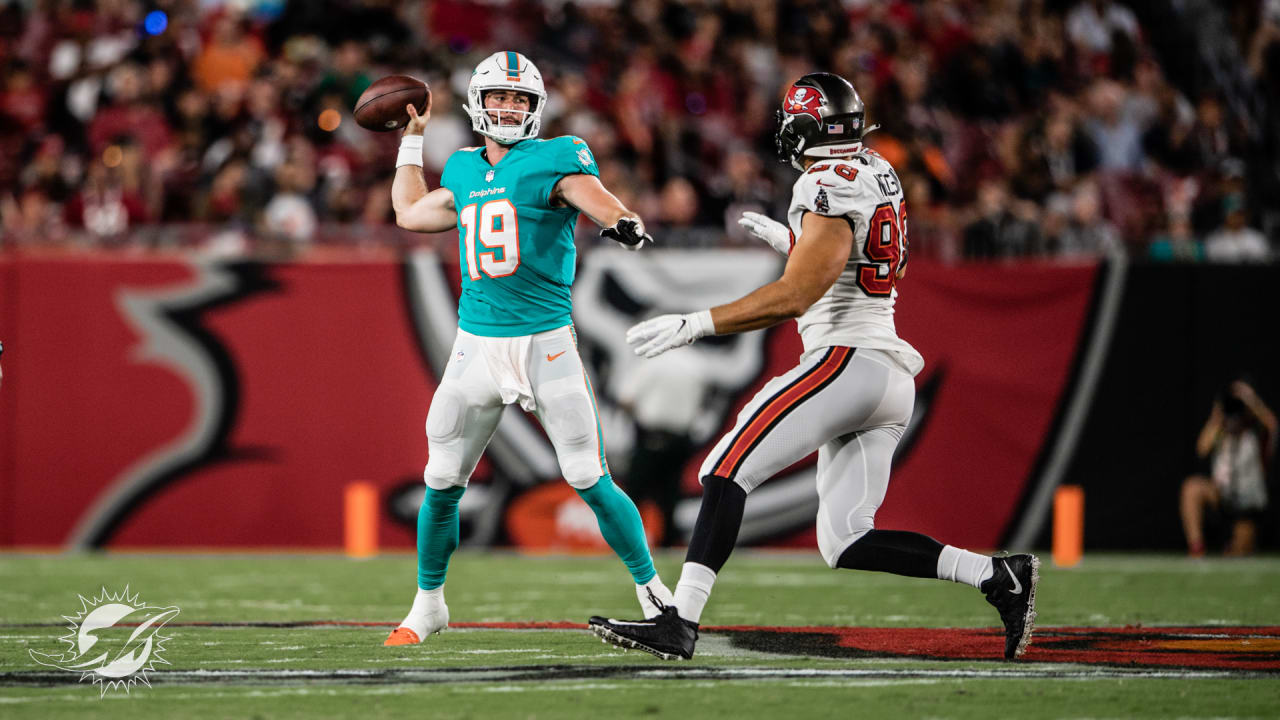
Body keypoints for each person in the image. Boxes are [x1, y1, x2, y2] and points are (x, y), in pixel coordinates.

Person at [588, 72, 1039, 661]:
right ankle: (996, 576)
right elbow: (852, 259)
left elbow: (796, 296)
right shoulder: (878, 169)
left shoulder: (823, 183)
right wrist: (792, 240)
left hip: (845, 362)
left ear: (805, 129)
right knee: (846, 538)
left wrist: (694, 323)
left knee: (725, 470)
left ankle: (681, 622)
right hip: (887, 374)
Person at [383, 51, 673, 646]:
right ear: (478, 104)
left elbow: (590, 193)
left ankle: (656, 597)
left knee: (588, 475)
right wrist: (411, 141)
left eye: (521, 99)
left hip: (546, 344)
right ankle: (427, 604)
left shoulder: (555, 158)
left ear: (536, 109)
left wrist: (620, 221)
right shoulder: (462, 169)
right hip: (475, 348)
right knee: (441, 480)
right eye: (501, 98)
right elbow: (411, 212)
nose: (510, 108)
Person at [1181, 379, 1276, 557]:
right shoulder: (1221, 431)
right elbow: (1202, 448)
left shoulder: (1256, 435)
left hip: (1247, 506)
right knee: (1191, 487)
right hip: (1221, 496)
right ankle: (1196, 548)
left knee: (1237, 555)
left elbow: (1272, 425)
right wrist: (1217, 414)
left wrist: (1251, 401)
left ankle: (1234, 546)